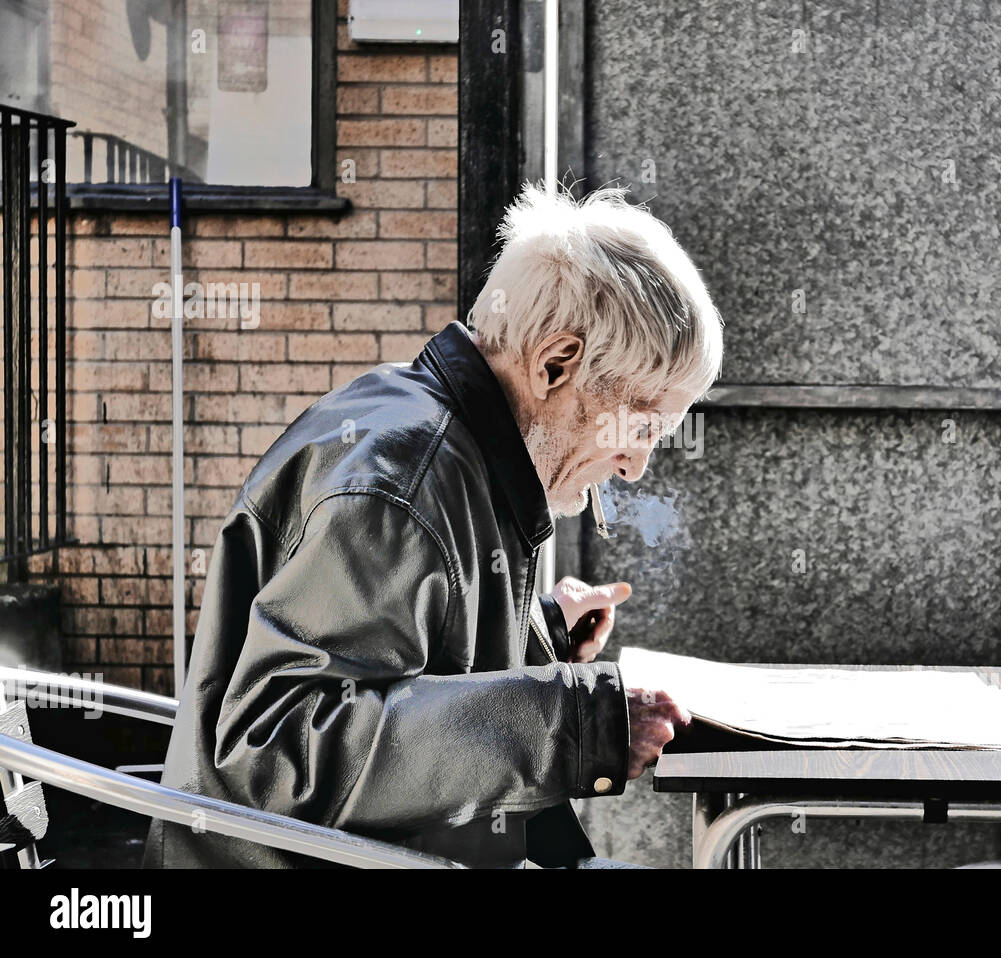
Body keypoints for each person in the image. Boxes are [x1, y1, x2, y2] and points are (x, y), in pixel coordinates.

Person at [142, 182, 724, 868]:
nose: (634, 466)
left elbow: (395, 652)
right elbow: (275, 753)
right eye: (642, 426)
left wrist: (536, 628)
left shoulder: (445, 441)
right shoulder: (403, 484)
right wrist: (575, 721)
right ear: (555, 365)